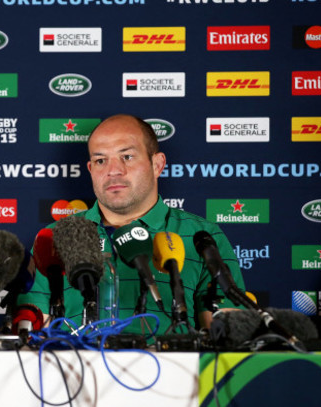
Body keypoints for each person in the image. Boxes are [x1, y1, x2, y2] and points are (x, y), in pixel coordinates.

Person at [18, 114, 246, 335]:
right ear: (91, 170)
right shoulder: (54, 237)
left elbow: (224, 338)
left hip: (168, 372)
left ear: (157, 164)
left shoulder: (201, 236)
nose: (113, 171)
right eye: (100, 160)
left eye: (126, 157)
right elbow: (33, 333)